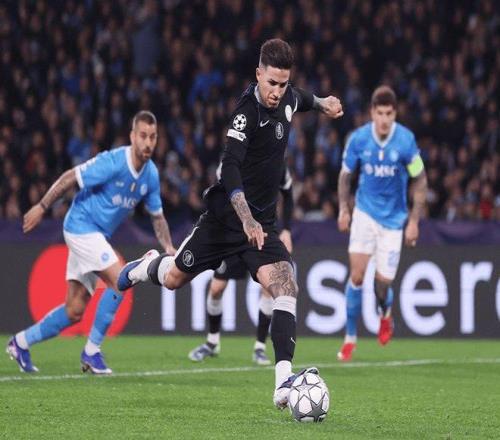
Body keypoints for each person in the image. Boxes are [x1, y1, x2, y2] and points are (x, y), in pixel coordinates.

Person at [117, 38, 343, 409]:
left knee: (286, 285)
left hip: (262, 227)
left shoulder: (288, 97)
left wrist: (323, 103)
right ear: (258, 75)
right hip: (225, 222)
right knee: (174, 278)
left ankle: (282, 383)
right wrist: (246, 217)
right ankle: (146, 265)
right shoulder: (246, 113)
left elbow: (302, 98)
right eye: (271, 83)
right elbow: (231, 168)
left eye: (282, 83)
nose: (276, 91)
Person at [6, 111, 176, 374]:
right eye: (143, 136)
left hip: (95, 235)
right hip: (80, 226)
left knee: (74, 310)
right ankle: (92, 352)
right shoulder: (113, 162)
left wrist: (169, 248)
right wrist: (42, 206)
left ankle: (20, 343)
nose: (148, 143)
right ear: (132, 136)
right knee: (120, 280)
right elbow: (70, 177)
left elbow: (157, 217)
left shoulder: (150, 174)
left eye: (153, 137)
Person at [336, 86, 427, 361]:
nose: (384, 119)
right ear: (372, 113)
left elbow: (420, 180)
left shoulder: (406, 141)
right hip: (364, 213)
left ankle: (385, 313)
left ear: (395, 114)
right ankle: (350, 338)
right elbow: (345, 175)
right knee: (356, 276)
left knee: (382, 286)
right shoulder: (359, 139)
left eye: (389, 114)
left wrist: (414, 221)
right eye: (380, 113)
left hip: (394, 221)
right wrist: (344, 209)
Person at [188, 166, 294, 365]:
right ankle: (212, 342)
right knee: (216, 288)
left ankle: (260, 347)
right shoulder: (234, 162)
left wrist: (286, 229)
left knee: (269, 287)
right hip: (232, 233)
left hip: (261, 234)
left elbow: (288, 193)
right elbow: (221, 193)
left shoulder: (278, 164)